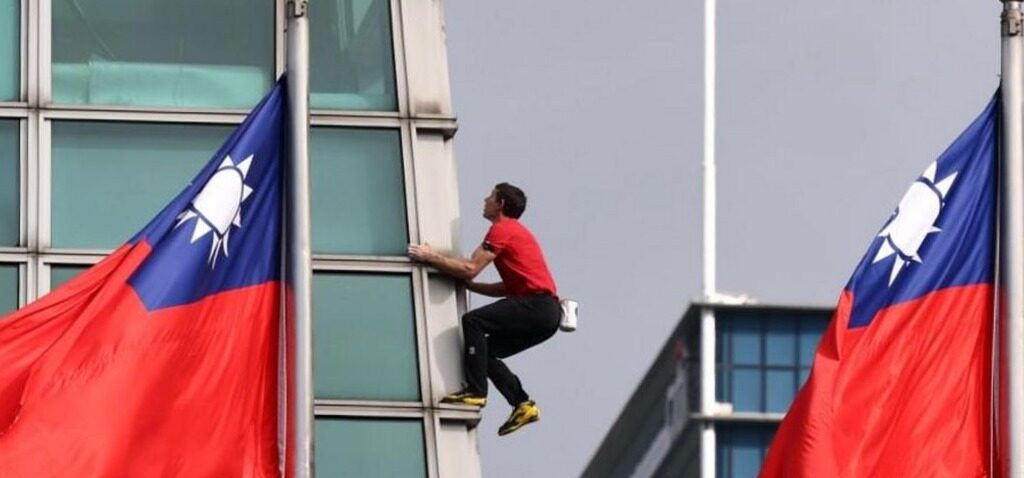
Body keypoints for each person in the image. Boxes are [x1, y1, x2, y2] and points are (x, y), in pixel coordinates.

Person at [408, 182, 560, 436]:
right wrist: (470, 286)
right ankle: (522, 403)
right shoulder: (516, 232)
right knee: (485, 353)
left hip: (537, 306)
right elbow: (504, 287)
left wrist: (430, 256)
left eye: (490, 197)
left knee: (474, 322)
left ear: (500, 204)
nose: (484, 199)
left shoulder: (502, 230)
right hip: (546, 313)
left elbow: (470, 267)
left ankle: (476, 393)